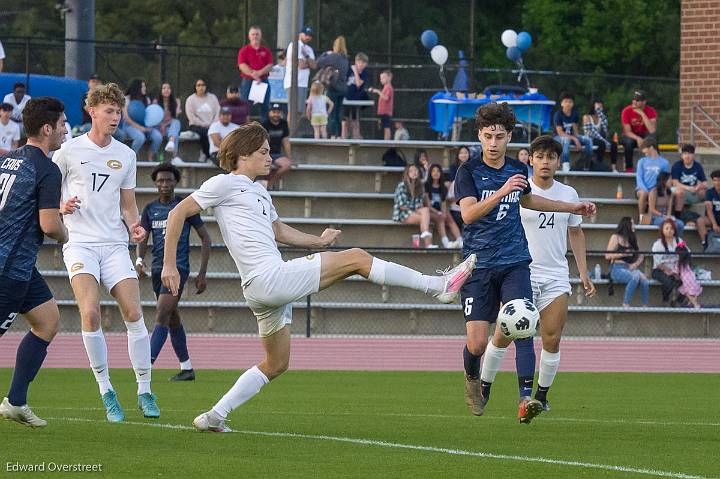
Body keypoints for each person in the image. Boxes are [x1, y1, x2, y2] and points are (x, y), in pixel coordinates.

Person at [159, 122, 477, 432]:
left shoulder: (259, 191)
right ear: (243, 155)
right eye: (264, 152)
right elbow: (177, 213)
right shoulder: (223, 183)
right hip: (268, 279)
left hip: (264, 285)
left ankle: (215, 414)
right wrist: (169, 265)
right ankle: (438, 286)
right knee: (357, 258)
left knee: (276, 363)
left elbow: (278, 231)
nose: (271, 157)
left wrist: (319, 241)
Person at [454, 102, 595, 422]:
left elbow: (530, 199)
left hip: (516, 262)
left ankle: (525, 400)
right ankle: (473, 379)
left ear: (509, 137)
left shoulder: (517, 171)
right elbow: (468, 214)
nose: (493, 142)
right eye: (488, 136)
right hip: (479, 264)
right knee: (476, 343)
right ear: (479, 136)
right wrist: (503, 190)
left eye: (499, 136)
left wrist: (571, 208)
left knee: (524, 325)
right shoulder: (469, 171)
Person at [53, 83, 160, 422]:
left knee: (133, 313)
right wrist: (62, 205)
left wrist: (135, 226)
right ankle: (106, 390)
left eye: (118, 111)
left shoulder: (126, 156)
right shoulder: (68, 151)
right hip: (80, 243)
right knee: (91, 314)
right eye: (109, 111)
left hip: (115, 245)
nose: (115, 117)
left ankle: (144, 389)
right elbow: (49, 196)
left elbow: (128, 206)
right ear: (92, 112)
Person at [514, 134, 596, 413]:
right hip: (522, 273)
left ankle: (541, 396)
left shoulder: (568, 194)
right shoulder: (519, 190)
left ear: (558, 161)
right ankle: (485, 382)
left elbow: (575, 232)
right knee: (512, 334)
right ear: (530, 159)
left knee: (552, 337)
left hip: (556, 275)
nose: (545, 162)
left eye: (551, 157)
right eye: (540, 156)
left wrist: (583, 273)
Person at [0, 97, 69, 427]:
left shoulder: (8, 160)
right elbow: (49, 225)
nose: (66, 130)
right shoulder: (47, 168)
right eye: (62, 124)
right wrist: (65, 233)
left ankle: (15, 401)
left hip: (20, 266)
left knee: (47, 320)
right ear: (47, 128)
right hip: (7, 269)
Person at [136, 164, 211, 381]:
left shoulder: (183, 206)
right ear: (155, 183)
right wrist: (140, 260)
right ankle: (187, 369)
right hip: (158, 269)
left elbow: (206, 238)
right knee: (172, 318)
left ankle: (145, 366)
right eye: (160, 180)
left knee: (161, 313)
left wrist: (202, 273)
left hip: (178, 268)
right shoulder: (150, 209)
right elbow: (143, 236)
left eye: (168, 180)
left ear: (175, 182)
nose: (164, 184)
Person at [605, 217, 649, 308]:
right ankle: (626, 303)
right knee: (635, 276)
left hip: (629, 267)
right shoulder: (615, 237)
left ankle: (645, 305)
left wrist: (635, 264)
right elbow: (607, 256)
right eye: (632, 223)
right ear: (626, 225)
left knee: (645, 280)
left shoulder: (631, 238)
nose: (634, 226)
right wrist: (623, 254)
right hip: (617, 268)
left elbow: (641, 255)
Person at [393, 164, 434, 248]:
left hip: (413, 210)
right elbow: (402, 206)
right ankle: (428, 244)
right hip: (403, 213)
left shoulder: (420, 186)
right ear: (407, 173)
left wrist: (417, 209)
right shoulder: (402, 185)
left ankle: (425, 233)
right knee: (425, 219)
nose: (414, 172)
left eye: (415, 170)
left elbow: (419, 204)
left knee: (426, 210)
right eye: (411, 171)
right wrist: (415, 209)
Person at [315, 36, 349, 139]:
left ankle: (331, 134)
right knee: (338, 112)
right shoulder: (345, 58)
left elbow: (318, 63)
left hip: (333, 87)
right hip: (342, 88)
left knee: (331, 112)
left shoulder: (333, 56)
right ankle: (338, 135)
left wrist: (325, 54)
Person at [237, 25, 273, 121]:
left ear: (260, 36)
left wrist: (260, 73)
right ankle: (245, 130)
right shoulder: (244, 50)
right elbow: (242, 65)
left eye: (257, 34)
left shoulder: (266, 51)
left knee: (265, 107)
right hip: (248, 81)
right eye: (253, 34)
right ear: (249, 36)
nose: (255, 36)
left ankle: (264, 130)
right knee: (245, 107)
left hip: (263, 81)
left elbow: (270, 65)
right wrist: (253, 74)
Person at [123, 78, 162, 161]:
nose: (145, 88)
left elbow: (148, 116)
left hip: (145, 125)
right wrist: (140, 128)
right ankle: (131, 158)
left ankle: (150, 155)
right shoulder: (126, 99)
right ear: (137, 88)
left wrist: (148, 127)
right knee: (140, 138)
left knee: (158, 137)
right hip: (130, 126)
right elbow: (126, 118)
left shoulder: (146, 99)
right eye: (142, 86)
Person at [284, 27, 316, 125]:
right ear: (300, 34)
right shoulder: (294, 45)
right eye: (306, 34)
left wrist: (306, 56)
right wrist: (308, 64)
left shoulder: (309, 49)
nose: (308, 37)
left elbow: (314, 65)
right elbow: (300, 65)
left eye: (309, 35)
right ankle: (288, 135)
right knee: (292, 110)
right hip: (293, 82)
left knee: (300, 112)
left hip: (303, 83)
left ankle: (292, 134)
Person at [424, 163, 462, 248]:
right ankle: (446, 243)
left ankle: (460, 241)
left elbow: (443, 203)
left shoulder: (443, 187)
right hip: (430, 211)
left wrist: (444, 213)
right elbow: (427, 204)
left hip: (439, 210)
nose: (436, 173)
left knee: (449, 217)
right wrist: (438, 213)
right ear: (430, 173)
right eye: (433, 171)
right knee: (440, 218)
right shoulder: (427, 185)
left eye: (438, 171)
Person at [552, 92, 593, 170]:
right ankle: (565, 164)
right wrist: (574, 139)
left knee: (588, 140)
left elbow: (575, 131)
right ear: (562, 103)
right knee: (566, 140)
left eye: (570, 102)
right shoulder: (558, 114)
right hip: (558, 137)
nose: (568, 104)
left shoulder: (575, 114)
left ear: (573, 103)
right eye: (566, 101)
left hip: (571, 136)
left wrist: (577, 138)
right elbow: (560, 132)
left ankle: (586, 163)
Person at [620, 90, 657, 172]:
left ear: (644, 102)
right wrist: (637, 138)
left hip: (643, 134)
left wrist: (642, 114)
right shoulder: (626, 111)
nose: (634, 102)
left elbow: (652, 130)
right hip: (630, 135)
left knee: (652, 139)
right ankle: (629, 168)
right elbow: (627, 131)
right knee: (629, 143)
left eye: (638, 100)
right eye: (634, 99)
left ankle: (655, 164)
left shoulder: (651, 111)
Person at [672, 144, 708, 227]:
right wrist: (688, 188)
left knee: (706, 192)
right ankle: (678, 217)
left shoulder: (697, 166)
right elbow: (675, 183)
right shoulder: (677, 165)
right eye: (685, 154)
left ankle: (709, 216)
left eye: (690, 154)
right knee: (680, 191)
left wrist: (698, 187)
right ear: (681, 156)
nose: (687, 156)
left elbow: (705, 183)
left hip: (693, 192)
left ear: (693, 155)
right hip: (679, 191)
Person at [185, 78, 220, 161]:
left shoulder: (213, 98)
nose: (201, 87)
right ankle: (208, 156)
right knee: (206, 133)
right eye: (198, 85)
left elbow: (218, 112)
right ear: (195, 87)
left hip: (213, 125)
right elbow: (191, 116)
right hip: (196, 125)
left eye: (203, 85)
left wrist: (212, 124)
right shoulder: (190, 99)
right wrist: (203, 124)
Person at [635, 137, 669, 220]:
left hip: (656, 190)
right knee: (643, 193)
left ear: (651, 147)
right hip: (642, 189)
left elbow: (664, 179)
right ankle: (641, 217)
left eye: (644, 148)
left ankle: (650, 217)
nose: (643, 151)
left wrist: (656, 189)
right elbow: (639, 178)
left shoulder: (664, 163)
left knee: (653, 193)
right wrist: (645, 189)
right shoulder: (641, 161)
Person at [651, 218, 683, 306]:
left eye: (671, 228)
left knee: (687, 281)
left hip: (676, 268)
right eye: (667, 228)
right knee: (669, 281)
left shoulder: (679, 241)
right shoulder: (657, 244)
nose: (669, 230)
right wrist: (670, 272)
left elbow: (686, 252)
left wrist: (679, 270)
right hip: (660, 270)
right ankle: (665, 299)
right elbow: (658, 263)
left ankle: (678, 301)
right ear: (662, 230)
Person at [261, 104, 292, 190]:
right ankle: (265, 186)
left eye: (278, 112)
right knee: (267, 166)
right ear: (269, 113)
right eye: (274, 112)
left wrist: (289, 157)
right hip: (265, 153)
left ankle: (270, 184)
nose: (276, 114)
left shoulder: (284, 123)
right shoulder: (265, 124)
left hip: (277, 154)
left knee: (287, 165)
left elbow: (285, 141)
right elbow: (260, 142)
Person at [582, 99, 617, 170]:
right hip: (589, 138)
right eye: (598, 107)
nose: (600, 109)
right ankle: (599, 163)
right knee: (601, 143)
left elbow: (605, 130)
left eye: (601, 107)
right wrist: (604, 141)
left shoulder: (602, 117)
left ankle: (614, 168)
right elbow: (592, 132)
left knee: (614, 144)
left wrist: (601, 115)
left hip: (600, 138)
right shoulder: (586, 117)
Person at [649, 171, 685, 236]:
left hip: (665, 216)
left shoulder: (670, 192)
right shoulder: (653, 191)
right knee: (671, 224)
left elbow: (669, 208)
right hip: (654, 217)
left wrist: (668, 216)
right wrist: (663, 216)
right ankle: (666, 242)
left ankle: (678, 243)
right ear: (663, 180)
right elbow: (652, 209)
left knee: (680, 224)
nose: (671, 181)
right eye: (669, 179)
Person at [343, 52, 369, 139]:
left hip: (355, 99)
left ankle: (356, 137)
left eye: (364, 63)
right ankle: (343, 138)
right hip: (346, 98)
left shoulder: (364, 72)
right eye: (360, 62)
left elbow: (358, 84)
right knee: (344, 120)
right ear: (356, 62)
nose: (362, 65)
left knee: (355, 120)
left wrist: (355, 71)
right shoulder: (348, 69)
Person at [446, 146, 470, 231]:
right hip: (456, 202)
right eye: (461, 153)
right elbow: (450, 198)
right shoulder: (453, 168)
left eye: (466, 153)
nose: (464, 155)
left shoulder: (473, 166)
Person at [156, 82, 182, 160]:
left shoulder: (175, 102)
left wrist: (178, 104)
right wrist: (162, 126)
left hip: (169, 128)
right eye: (164, 88)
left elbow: (175, 116)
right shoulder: (156, 102)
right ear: (160, 91)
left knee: (176, 122)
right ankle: (174, 157)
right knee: (175, 135)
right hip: (159, 128)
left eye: (168, 88)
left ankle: (171, 141)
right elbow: (154, 120)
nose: (166, 90)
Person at [368, 70, 394, 140]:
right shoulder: (385, 87)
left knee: (386, 126)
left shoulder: (389, 87)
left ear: (389, 78)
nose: (381, 80)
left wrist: (377, 91)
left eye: (383, 78)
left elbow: (386, 98)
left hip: (386, 112)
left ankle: (387, 141)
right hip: (382, 112)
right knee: (382, 126)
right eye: (381, 78)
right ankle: (384, 140)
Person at [675, 242, 702, 308]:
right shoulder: (688, 262)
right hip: (692, 279)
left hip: (686, 281)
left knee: (687, 293)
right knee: (693, 293)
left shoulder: (679, 264)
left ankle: (695, 304)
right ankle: (690, 304)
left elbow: (675, 271)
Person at [704, 169, 720, 250]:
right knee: (700, 221)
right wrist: (714, 224)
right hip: (712, 218)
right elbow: (709, 210)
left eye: (719, 180)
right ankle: (705, 244)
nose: (717, 183)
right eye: (715, 180)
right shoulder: (709, 192)